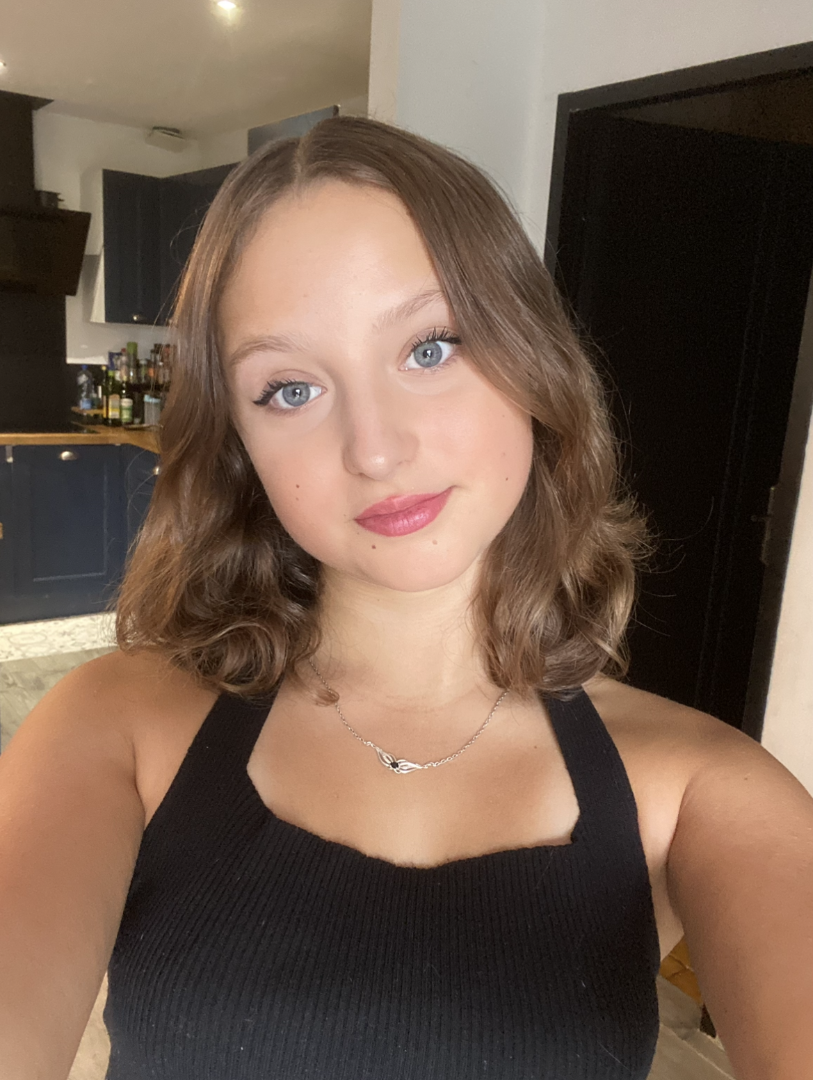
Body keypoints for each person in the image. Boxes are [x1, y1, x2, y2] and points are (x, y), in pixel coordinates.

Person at [1, 115, 811, 1080]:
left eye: (430, 347)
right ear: (239, 448)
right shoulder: (111, 730)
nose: (375, 451)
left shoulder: (700, 789)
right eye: (289, 389)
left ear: (532, 361)